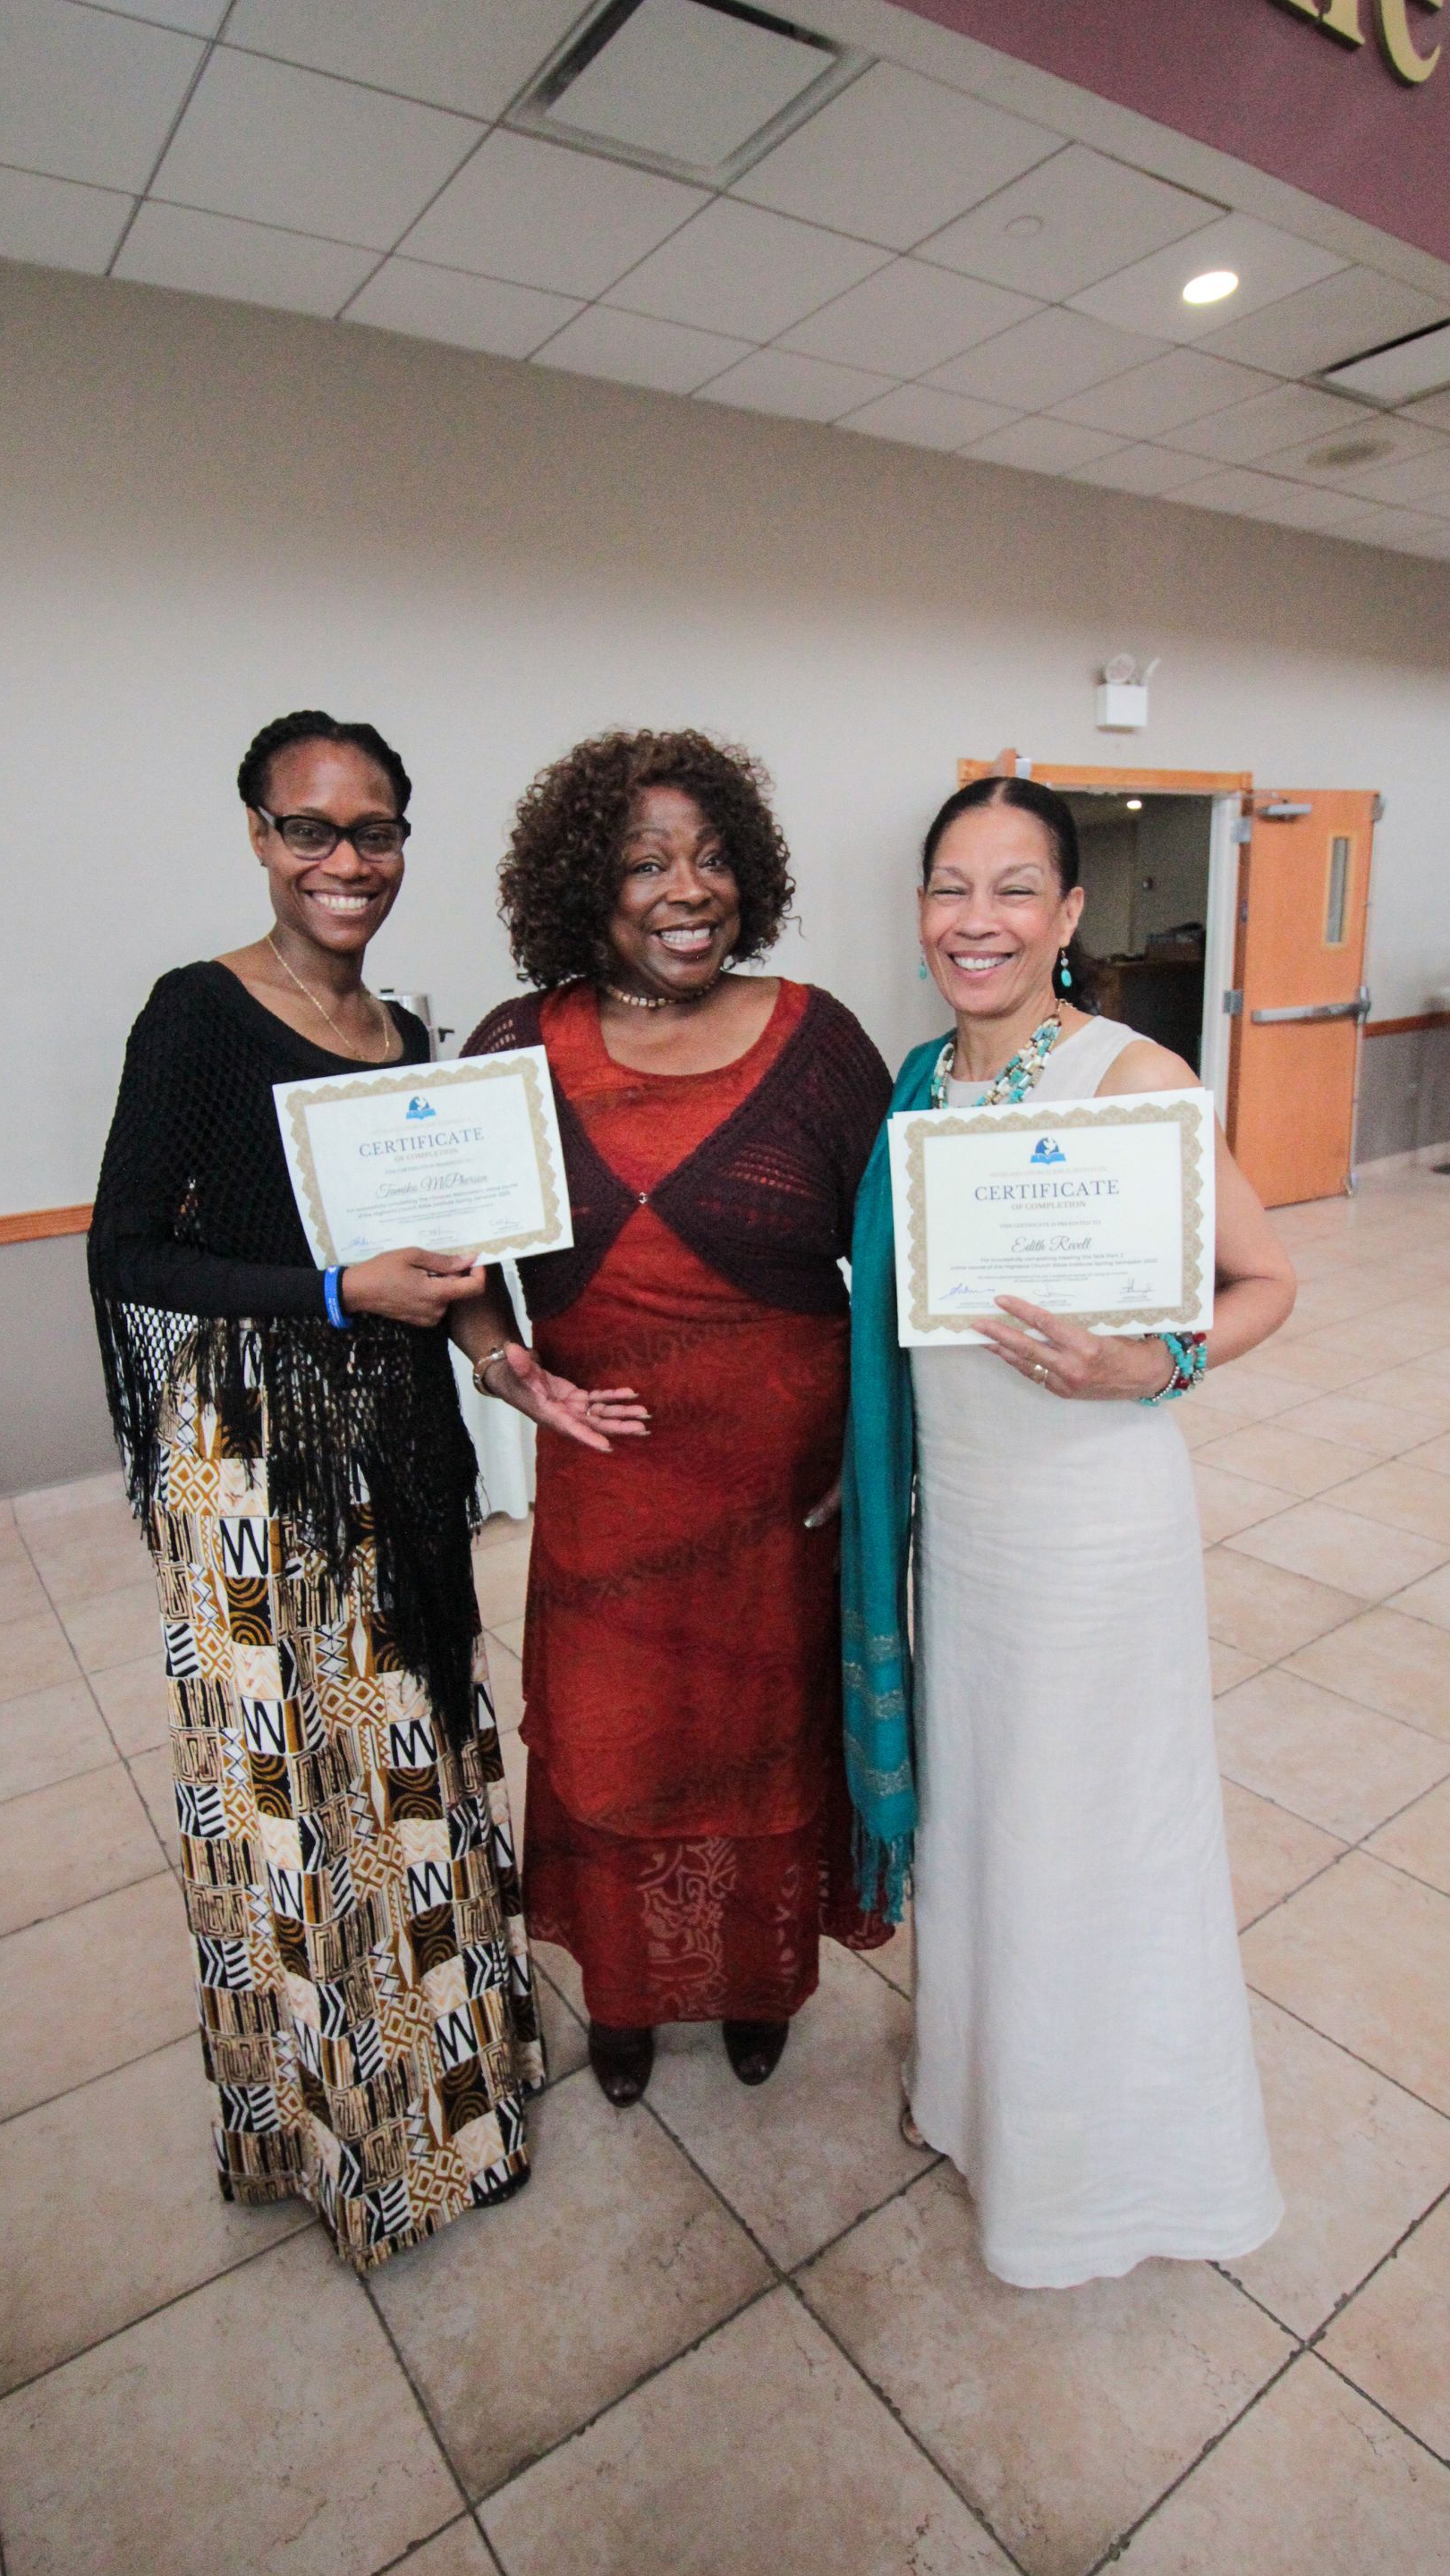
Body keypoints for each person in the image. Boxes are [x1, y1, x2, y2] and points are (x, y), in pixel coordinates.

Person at [89, 708, 642, 2267]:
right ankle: (338, 2143)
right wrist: (338, 1294)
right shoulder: (198, 1017)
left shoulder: (408, 1038)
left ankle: (456, 2105)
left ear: (407, 840)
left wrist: (498, 1353)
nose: (347, 861)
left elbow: (445, 1269)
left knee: (415, 1770)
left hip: (396, 1451)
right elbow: (136, 1250)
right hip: (256, 1468)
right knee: (299, 1813)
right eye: (311, 829)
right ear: (258, 837)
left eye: (376, 831)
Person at [841, 775, 1293, 2290]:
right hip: (962, 1532)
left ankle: (1108, 2170)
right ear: (921, 913)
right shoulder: (917, 1087)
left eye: (1015, 888)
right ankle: (985, 2109)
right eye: (951, 888)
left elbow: (1266, 1281)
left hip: (1096, 1528)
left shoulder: (1125, 1072)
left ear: (1072, 914)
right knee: (986, 1827)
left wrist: (1148, 1361)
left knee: (1096, 1833)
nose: (980, 921)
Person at [463, 729, 893, 2106]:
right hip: (612, 1486)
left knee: (762, 1750)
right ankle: (633, 2002)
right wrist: (495, 1358)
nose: (685, 888)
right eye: (646, 862)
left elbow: (901, 1267)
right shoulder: (516, 1048)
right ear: (587, 885)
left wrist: (872, 1449)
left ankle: (758, 1984)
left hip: (781, 1489)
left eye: (711, 857)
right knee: (616, 1741)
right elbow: (452, 1262)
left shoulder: (818, 1040)